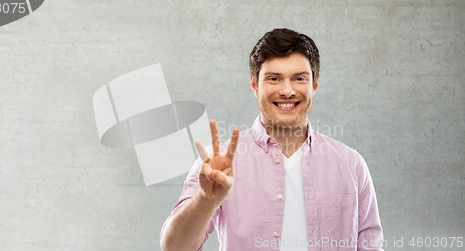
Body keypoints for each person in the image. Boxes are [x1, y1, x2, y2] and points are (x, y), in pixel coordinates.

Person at [160, 28, 384, 251]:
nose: (287, 91)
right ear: (255, 86)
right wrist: (206, 199)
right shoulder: (216, 164)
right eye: (274, 78)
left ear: (314, 85)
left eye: (299, 78)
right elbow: (174, 247)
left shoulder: (351, 164)